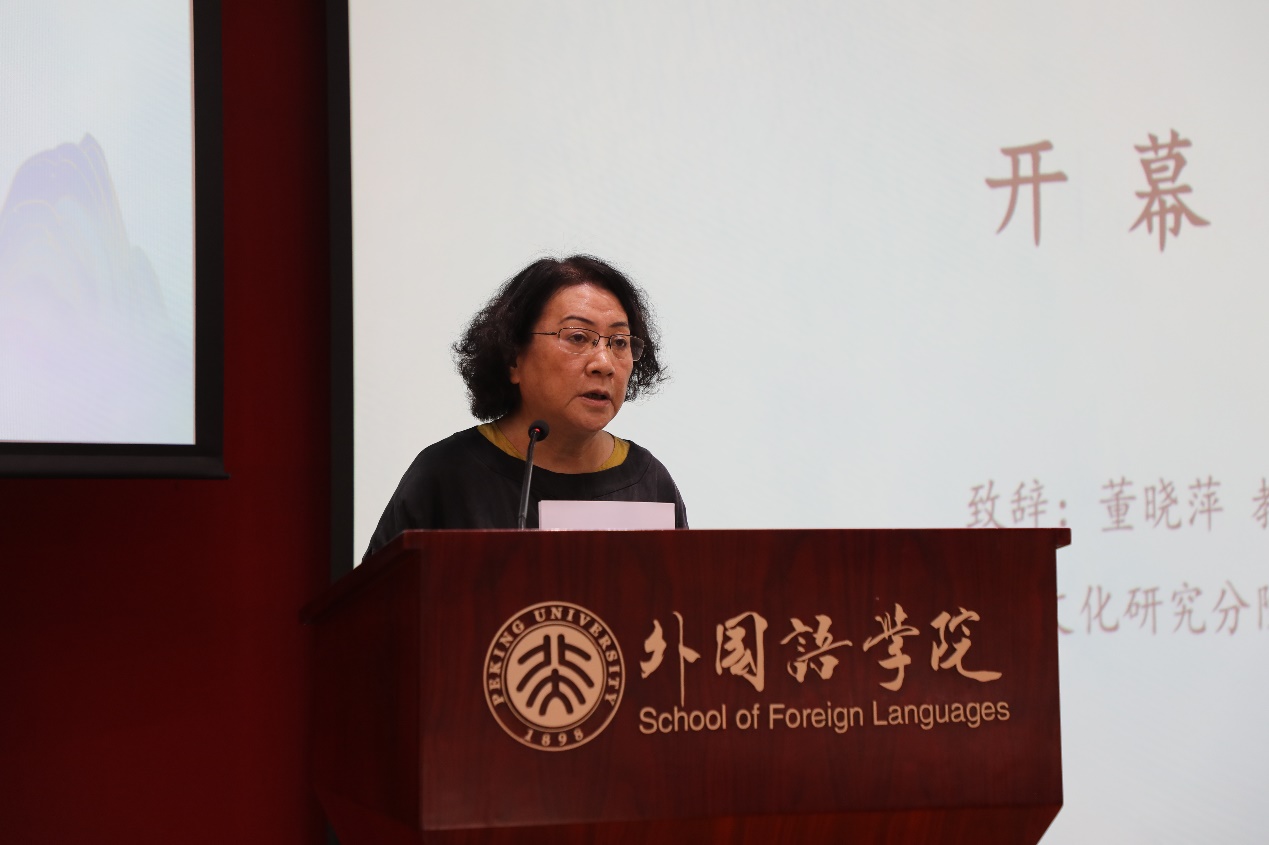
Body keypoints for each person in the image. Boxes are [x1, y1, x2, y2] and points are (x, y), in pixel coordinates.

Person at [363, 255, 687, 558]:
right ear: (513, 358)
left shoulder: (649, 482)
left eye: (619, 342)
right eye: (577, 337)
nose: (604, 363)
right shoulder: (446, 475)